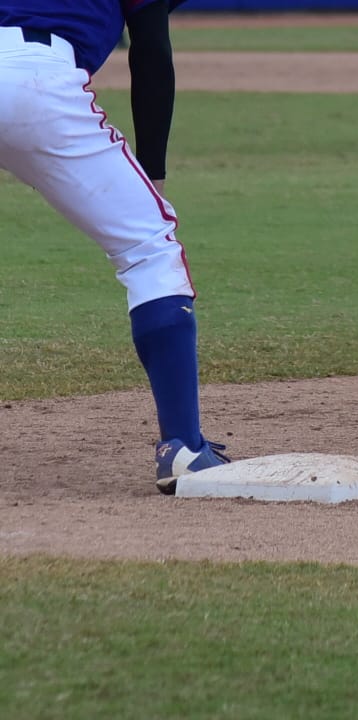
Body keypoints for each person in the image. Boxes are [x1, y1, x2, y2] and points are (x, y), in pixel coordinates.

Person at [0, 1, 229, 494]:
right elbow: (150, 51)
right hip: (32, 79)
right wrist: (154, 173)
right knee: (149, 247)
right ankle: (184, 448)